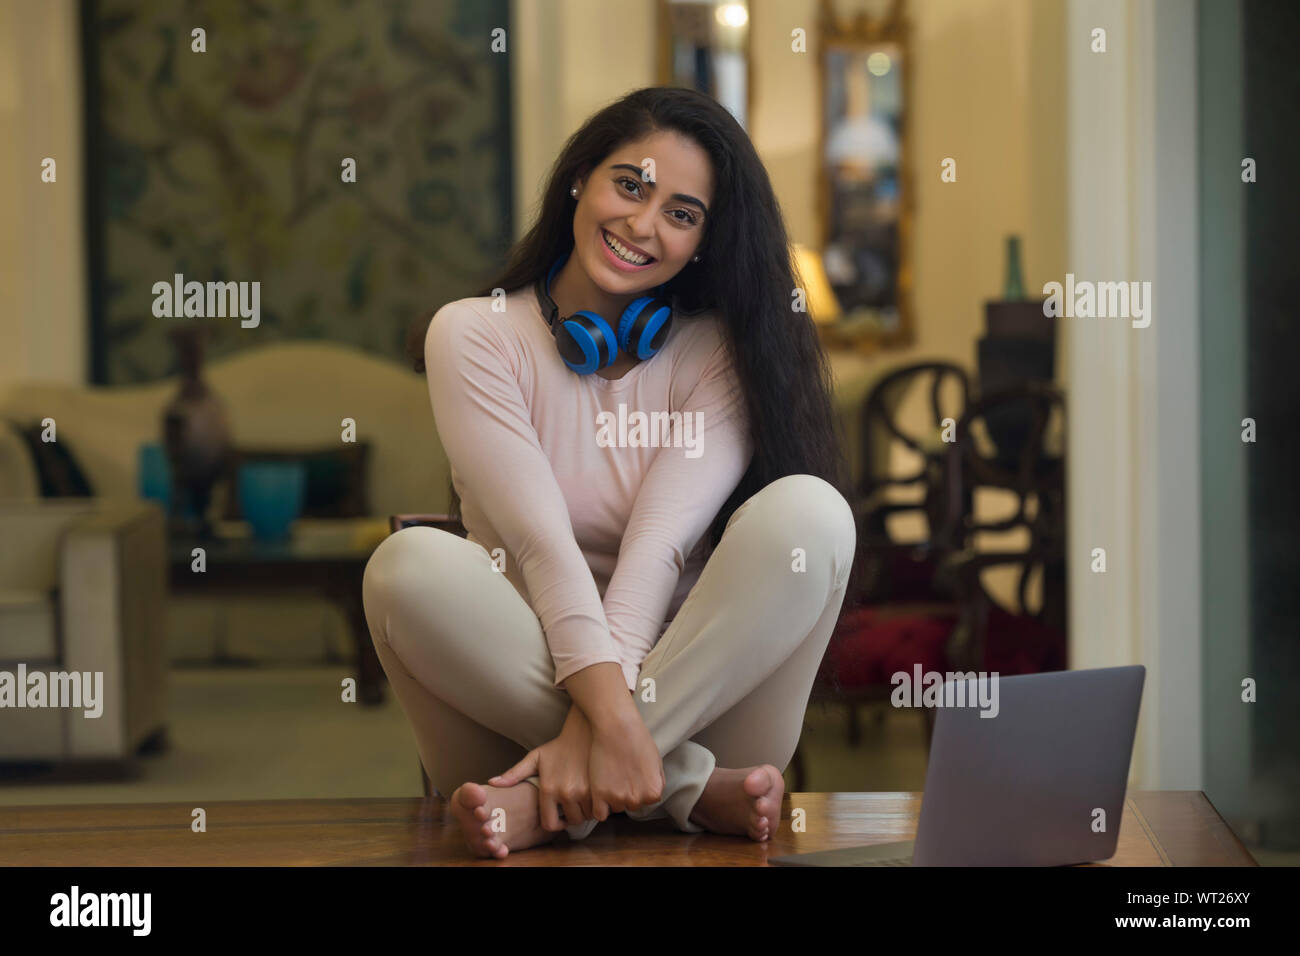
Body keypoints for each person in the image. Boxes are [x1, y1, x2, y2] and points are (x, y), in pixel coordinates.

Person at [363, 86, 858, 859]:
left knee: (813, 512)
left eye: (682, 213)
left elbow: (657, 550)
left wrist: (619, 727)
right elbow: (543, 551)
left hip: (707, 708)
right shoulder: (473, 335)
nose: (642, 223)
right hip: (510, 711)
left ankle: (564, 795)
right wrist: (617, 729)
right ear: (579, 182)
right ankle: (684, 791)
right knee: (404, 567)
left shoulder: (718, 353)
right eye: (630, 184)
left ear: (704, 242)